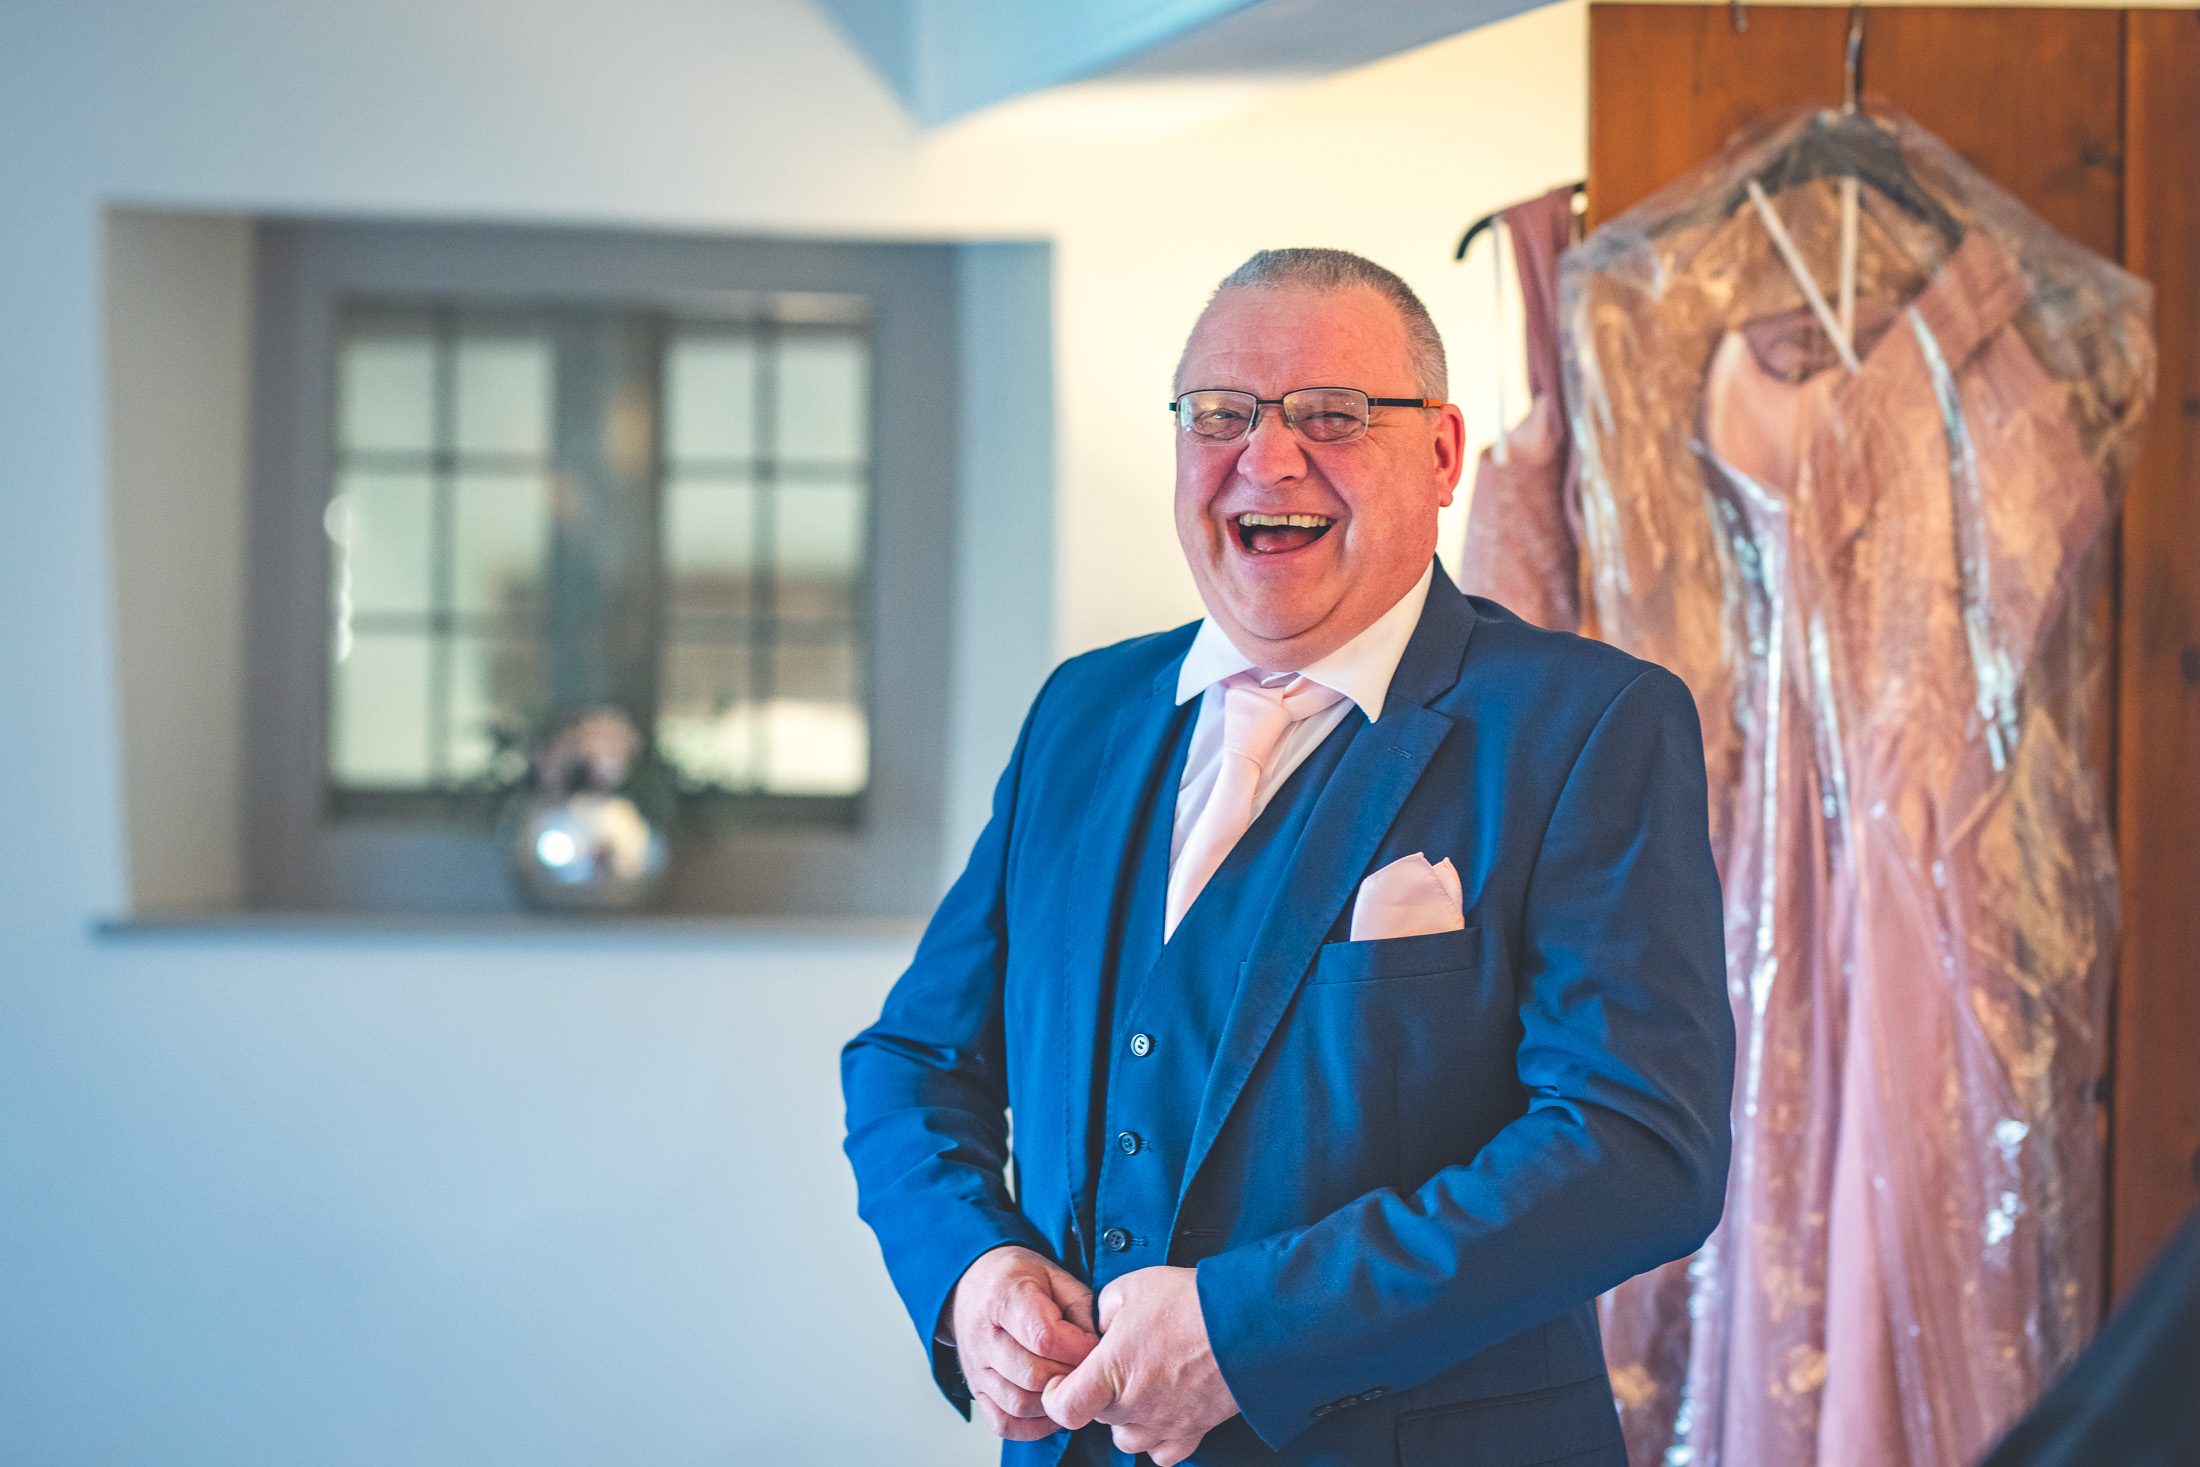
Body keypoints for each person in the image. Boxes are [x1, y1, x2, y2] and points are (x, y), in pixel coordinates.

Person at [842, 248, 1734, 1467]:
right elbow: (913, 1059)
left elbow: (1637, 1149)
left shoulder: (1588, 723)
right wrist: (972, 1269)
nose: (1266, 459)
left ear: (1442, 454)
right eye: (1220, 414)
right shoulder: (1080, 714)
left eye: (1333, 414)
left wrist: (1242, 1331)